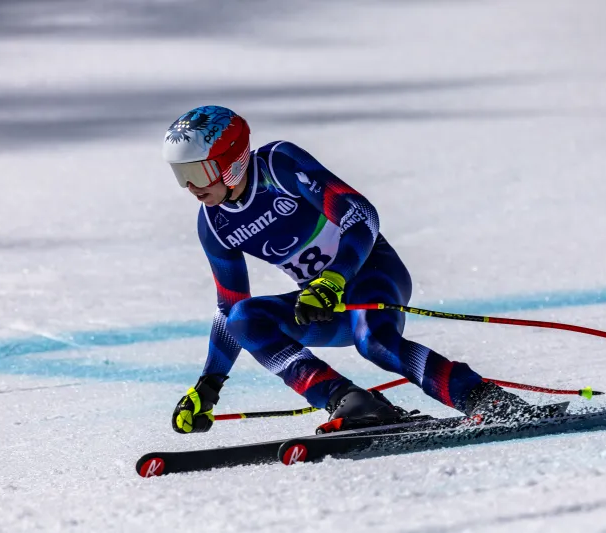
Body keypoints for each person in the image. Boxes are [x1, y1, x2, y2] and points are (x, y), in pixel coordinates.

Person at [163, 105, 551, 435]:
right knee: (244, 318)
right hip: (324, 303)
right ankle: (350, 402)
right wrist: (209, 383)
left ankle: (486, 399)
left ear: (232, 161)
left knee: (375, 342)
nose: (190, 187)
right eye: (181, 176)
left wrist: (334, 279)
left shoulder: (279, 165)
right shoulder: (213, 225)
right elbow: (230, 307)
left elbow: (361, 216)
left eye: (197, 172)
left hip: (372, 273)